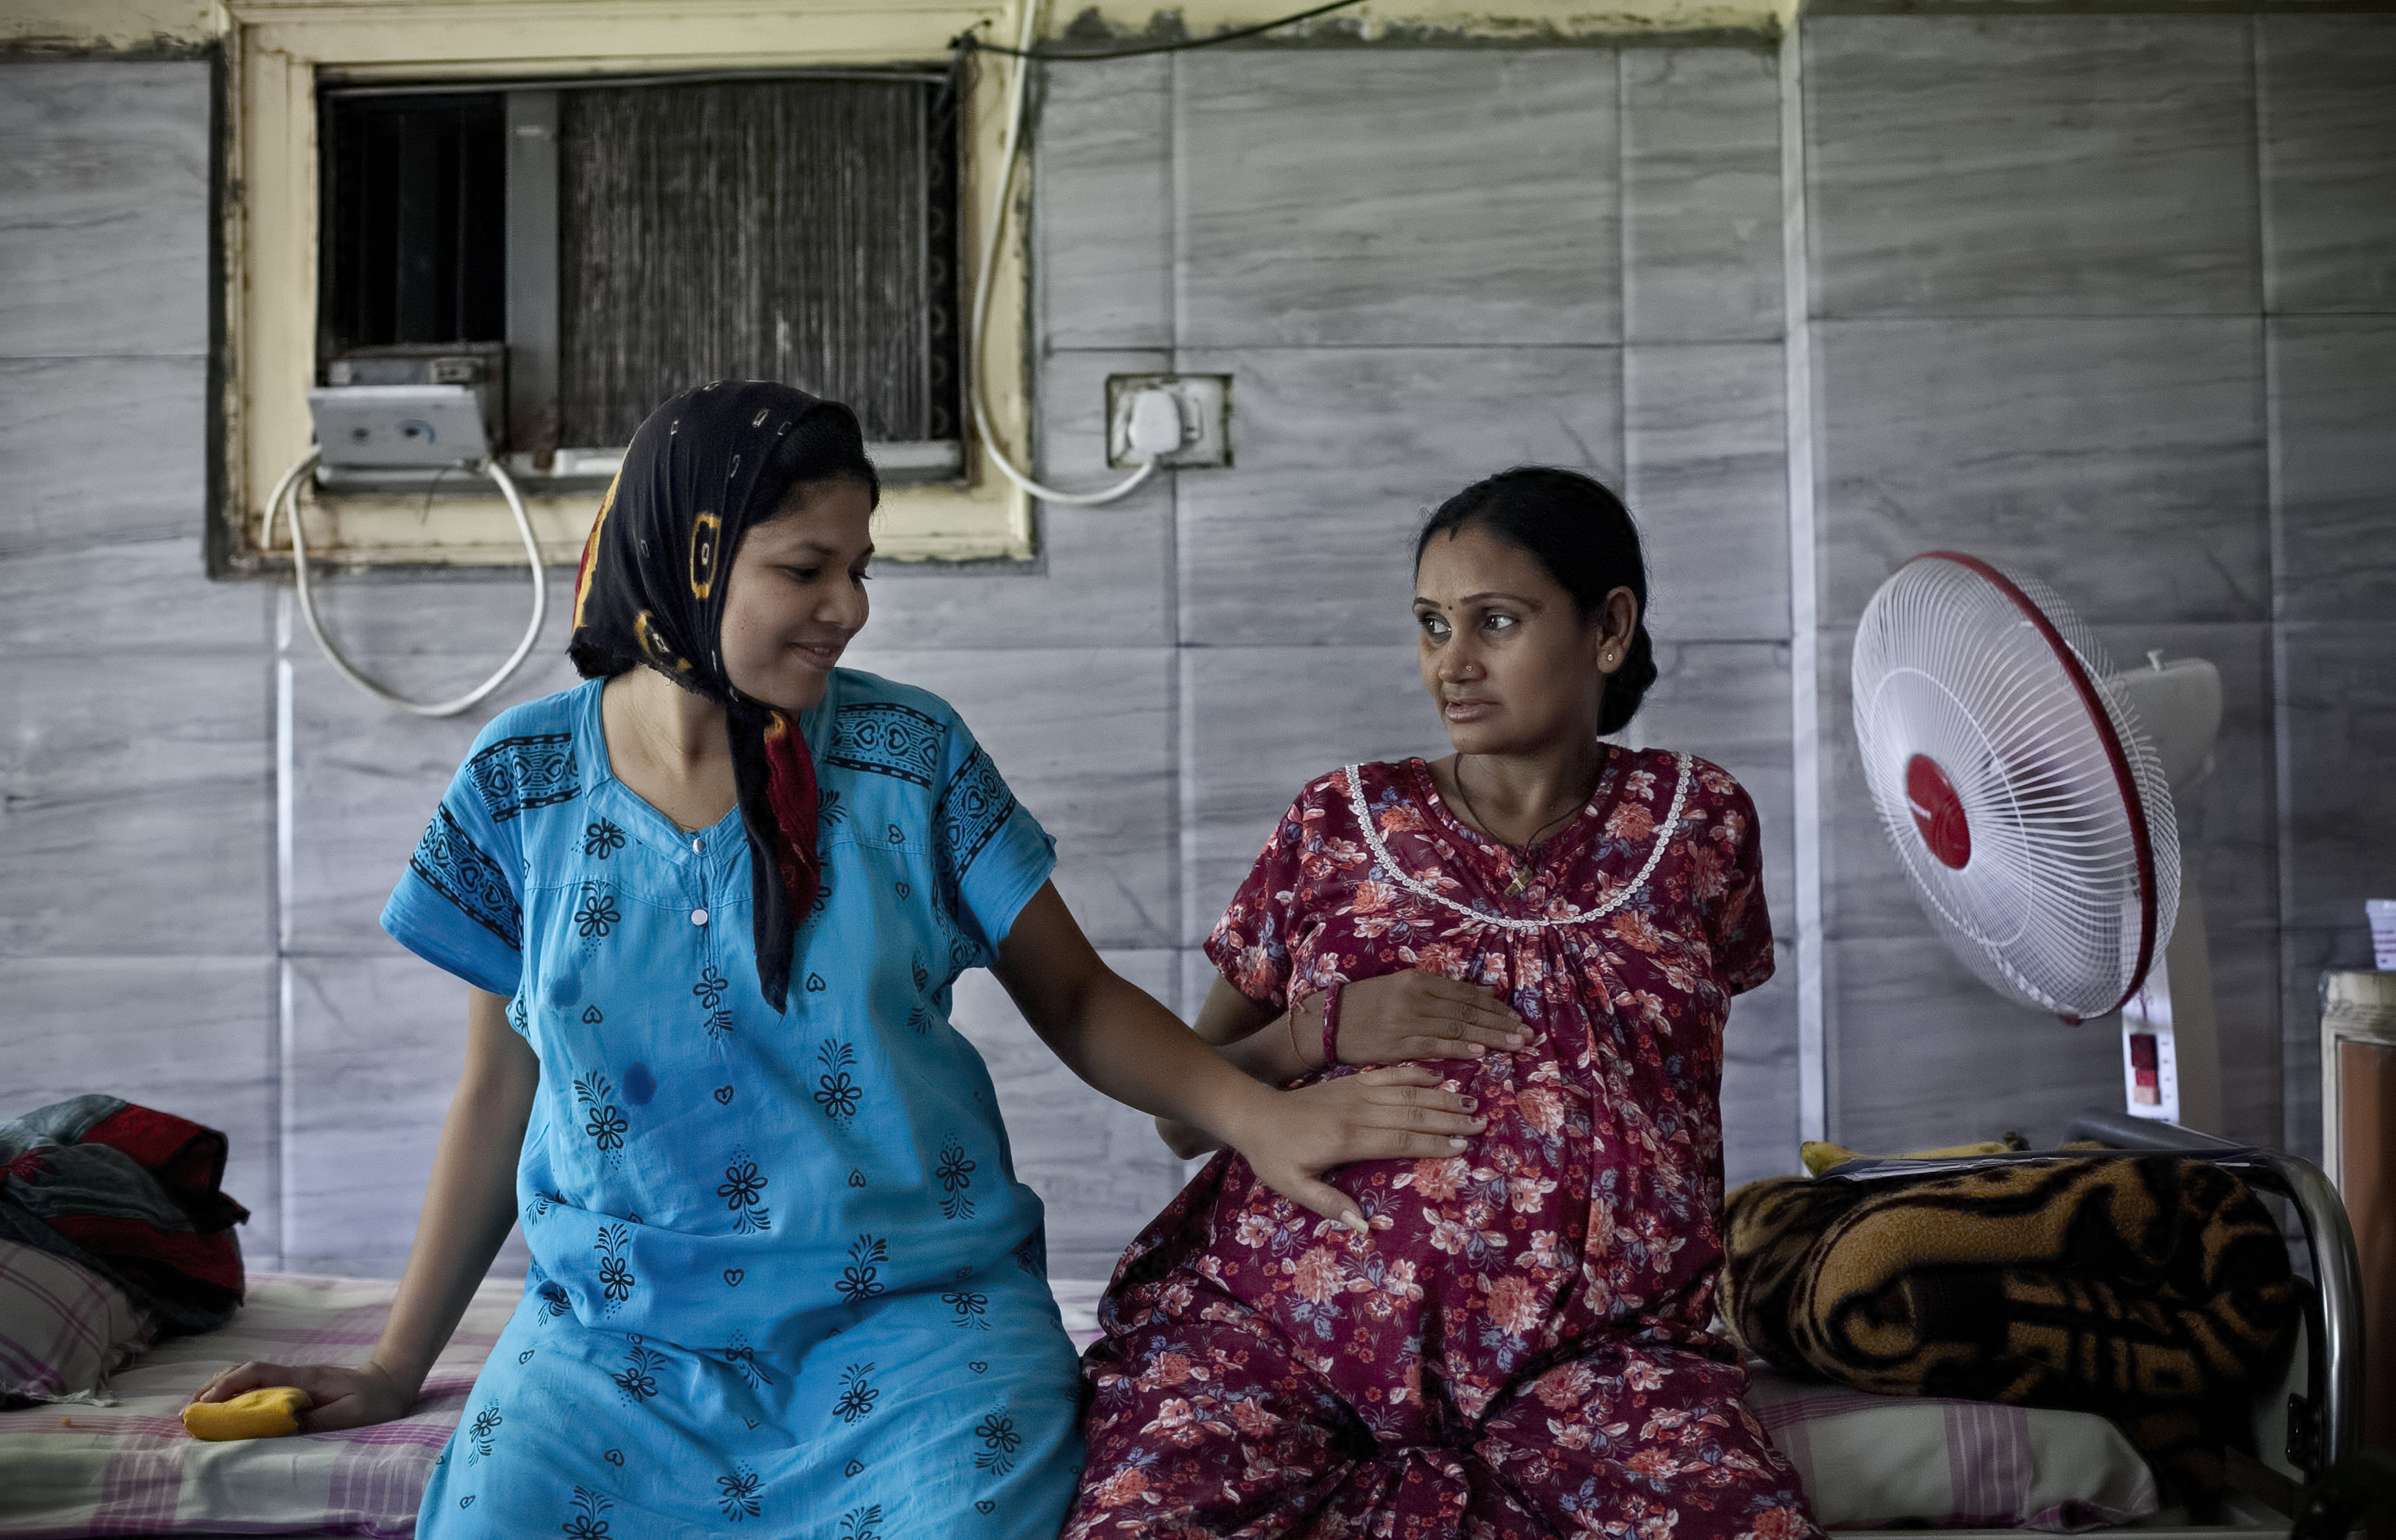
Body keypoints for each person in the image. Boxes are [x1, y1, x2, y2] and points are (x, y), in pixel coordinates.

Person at [187, 382, 1483, 1539]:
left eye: (860, 568)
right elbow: (499, 1086)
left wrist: (1260, 1116)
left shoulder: (909, 759)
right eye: (806, 569)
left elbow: (1077, 999)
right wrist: (398, 1365)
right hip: (619, 1341)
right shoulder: (520, 784)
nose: (850, 608)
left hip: (918, 1323)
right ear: (688, 558)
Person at [1065, 468, 1819, 1540]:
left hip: (1598, 1365)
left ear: (1609, 628)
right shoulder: (1337, 822)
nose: (1451, 664)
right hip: (1278, 1341)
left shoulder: (1699, 821)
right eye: (1431, 625)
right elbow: (1180, 1118)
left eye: (1495, 622)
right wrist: (1321, 1030)